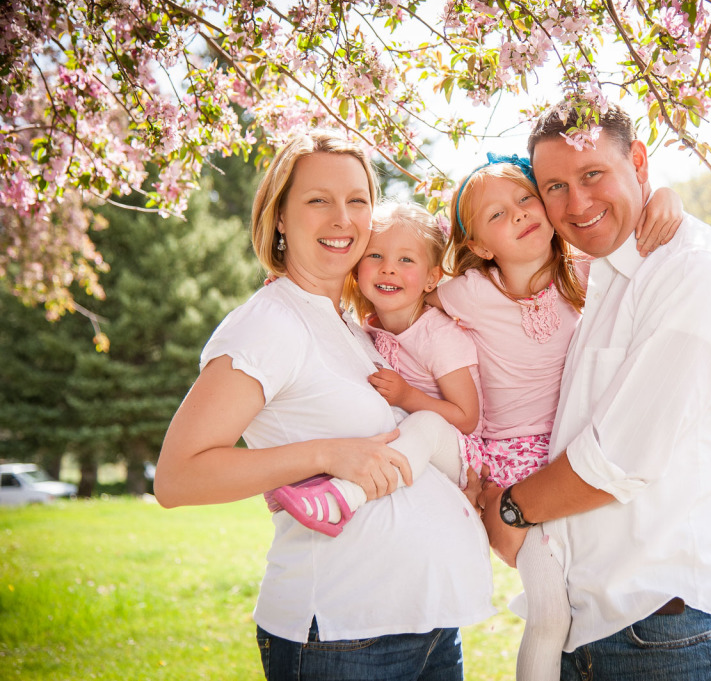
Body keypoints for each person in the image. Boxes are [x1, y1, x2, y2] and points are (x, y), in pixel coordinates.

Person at [155, 129, 494, 681]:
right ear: (280, 216)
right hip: (345, 636)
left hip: (428, 627)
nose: (343, 219)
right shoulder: (270, 324)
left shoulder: (354, 325)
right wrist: (327, 454)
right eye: (319, 200)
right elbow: (177, 478)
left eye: (357, 200)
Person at [478, 101, 711, 681]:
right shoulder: (609, 274)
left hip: (663, 634)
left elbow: (616, 460)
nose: (577, 204)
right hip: (602, 631)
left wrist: (511, 508)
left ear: (639, 161)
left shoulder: (693, 273)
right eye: (555, 187)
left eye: (593, 175)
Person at [431, 155, 684, 681]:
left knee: (586, 593)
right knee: (549, 612)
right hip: (508, 465)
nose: (521, 214)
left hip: (570, 461)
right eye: (497, 215)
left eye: (526, 199)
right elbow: (399, 285)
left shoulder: (585, 274)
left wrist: (666, 196)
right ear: (478, 245)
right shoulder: (467, 294)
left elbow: (640, 230)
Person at [267, 200, 484, 535]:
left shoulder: (439, 336)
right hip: (408, 449)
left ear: (431, 278)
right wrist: (293, 295)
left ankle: (343, 498)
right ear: (356, 267)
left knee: (424, 423)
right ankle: (298, 481)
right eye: (376, 256)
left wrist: (407, 396)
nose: (388, 269)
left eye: (406, 259)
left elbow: (468, 418)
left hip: (457, 451)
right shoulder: (367, 328)